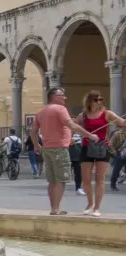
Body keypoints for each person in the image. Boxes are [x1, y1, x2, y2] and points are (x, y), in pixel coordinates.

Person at [30, 87, 98, 216]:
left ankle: (53, 208)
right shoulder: (60, 109)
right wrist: (90, 135)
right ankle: (56, 209)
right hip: (59, 150)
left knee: (52, 181)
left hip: (48, 149)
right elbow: (72, 126)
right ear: (54, 97)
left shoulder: (41, 111)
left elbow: (33, 131)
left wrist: (37, 145)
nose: (65, 97)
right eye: (62, 95)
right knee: (61, 180)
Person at [75, 90, 126, 216]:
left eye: (100, 99)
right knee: (86, 180)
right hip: (87, 148)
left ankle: (97, 207)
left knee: (100, 179)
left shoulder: (107, 113)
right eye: (96, 99)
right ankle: (89, 203)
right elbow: (74, 127)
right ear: (90, 101)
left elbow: (122, 122)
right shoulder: (83, 115)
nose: (99, 102)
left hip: (102, 148)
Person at [110, 125, 126, 192]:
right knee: (116, 170)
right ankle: (113, 184)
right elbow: (111, 144)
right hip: (120, 153)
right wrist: (115, 152)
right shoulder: (117, 133)